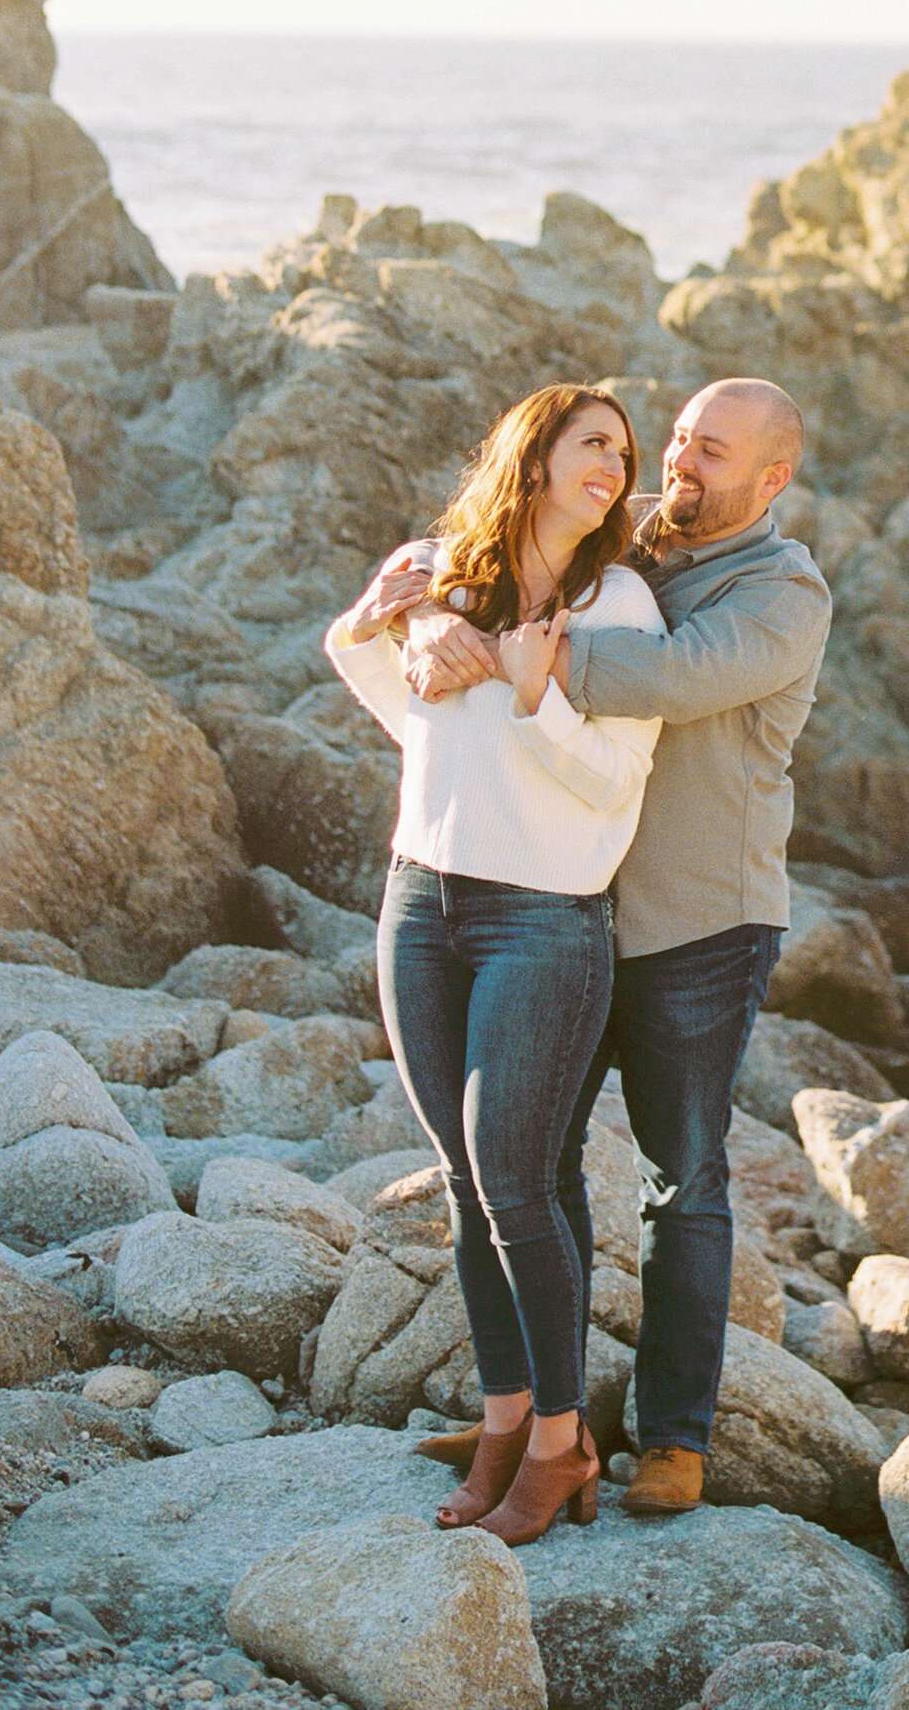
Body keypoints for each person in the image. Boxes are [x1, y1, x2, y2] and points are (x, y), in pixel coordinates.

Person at [367, 373, 830, 1519]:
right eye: (674, 438)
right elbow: (487, 580)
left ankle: (672, 1436)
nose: (679, 460)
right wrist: (435, 616)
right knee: (524, 1167)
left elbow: (674, 677)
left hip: (694, 923)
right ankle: (533, 1423)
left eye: (710, 450)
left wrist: (529, 653)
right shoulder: (628, 559)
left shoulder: (782, 587)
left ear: (771, 476)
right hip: (562, 907)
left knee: (684, 1176)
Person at [326, 384, 666, 1546]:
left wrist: (535, 692)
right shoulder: (437, 566)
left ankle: (564, 1445)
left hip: (544, 919)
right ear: (533, 458)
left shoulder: (616, 601)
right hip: (419, 901)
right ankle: (505, 1418)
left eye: (624, 450)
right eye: (594, 444)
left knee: (516, 1181)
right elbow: (391, 700)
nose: (617, 465)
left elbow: (615, 787)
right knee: (465, 1180)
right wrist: (385, 622)